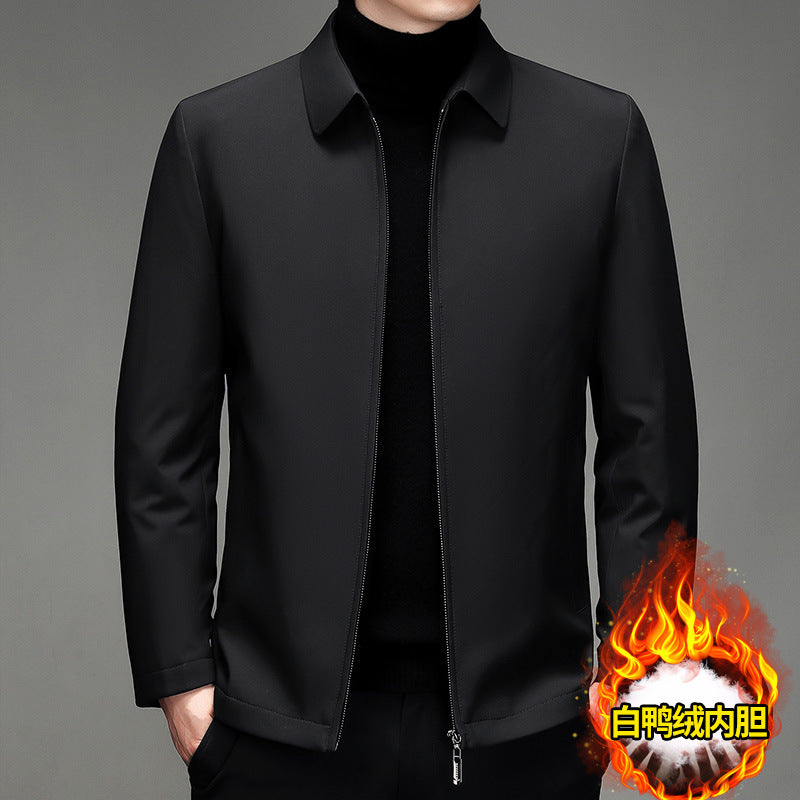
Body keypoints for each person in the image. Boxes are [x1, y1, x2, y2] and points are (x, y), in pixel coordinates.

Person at [114, 1, 699, 797]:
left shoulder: (600, 139)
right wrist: (181, 678)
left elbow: (649, 436)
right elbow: (161, 441)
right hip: (276, 740)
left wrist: (641, 661)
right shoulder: (217, 141)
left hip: (526, 741)